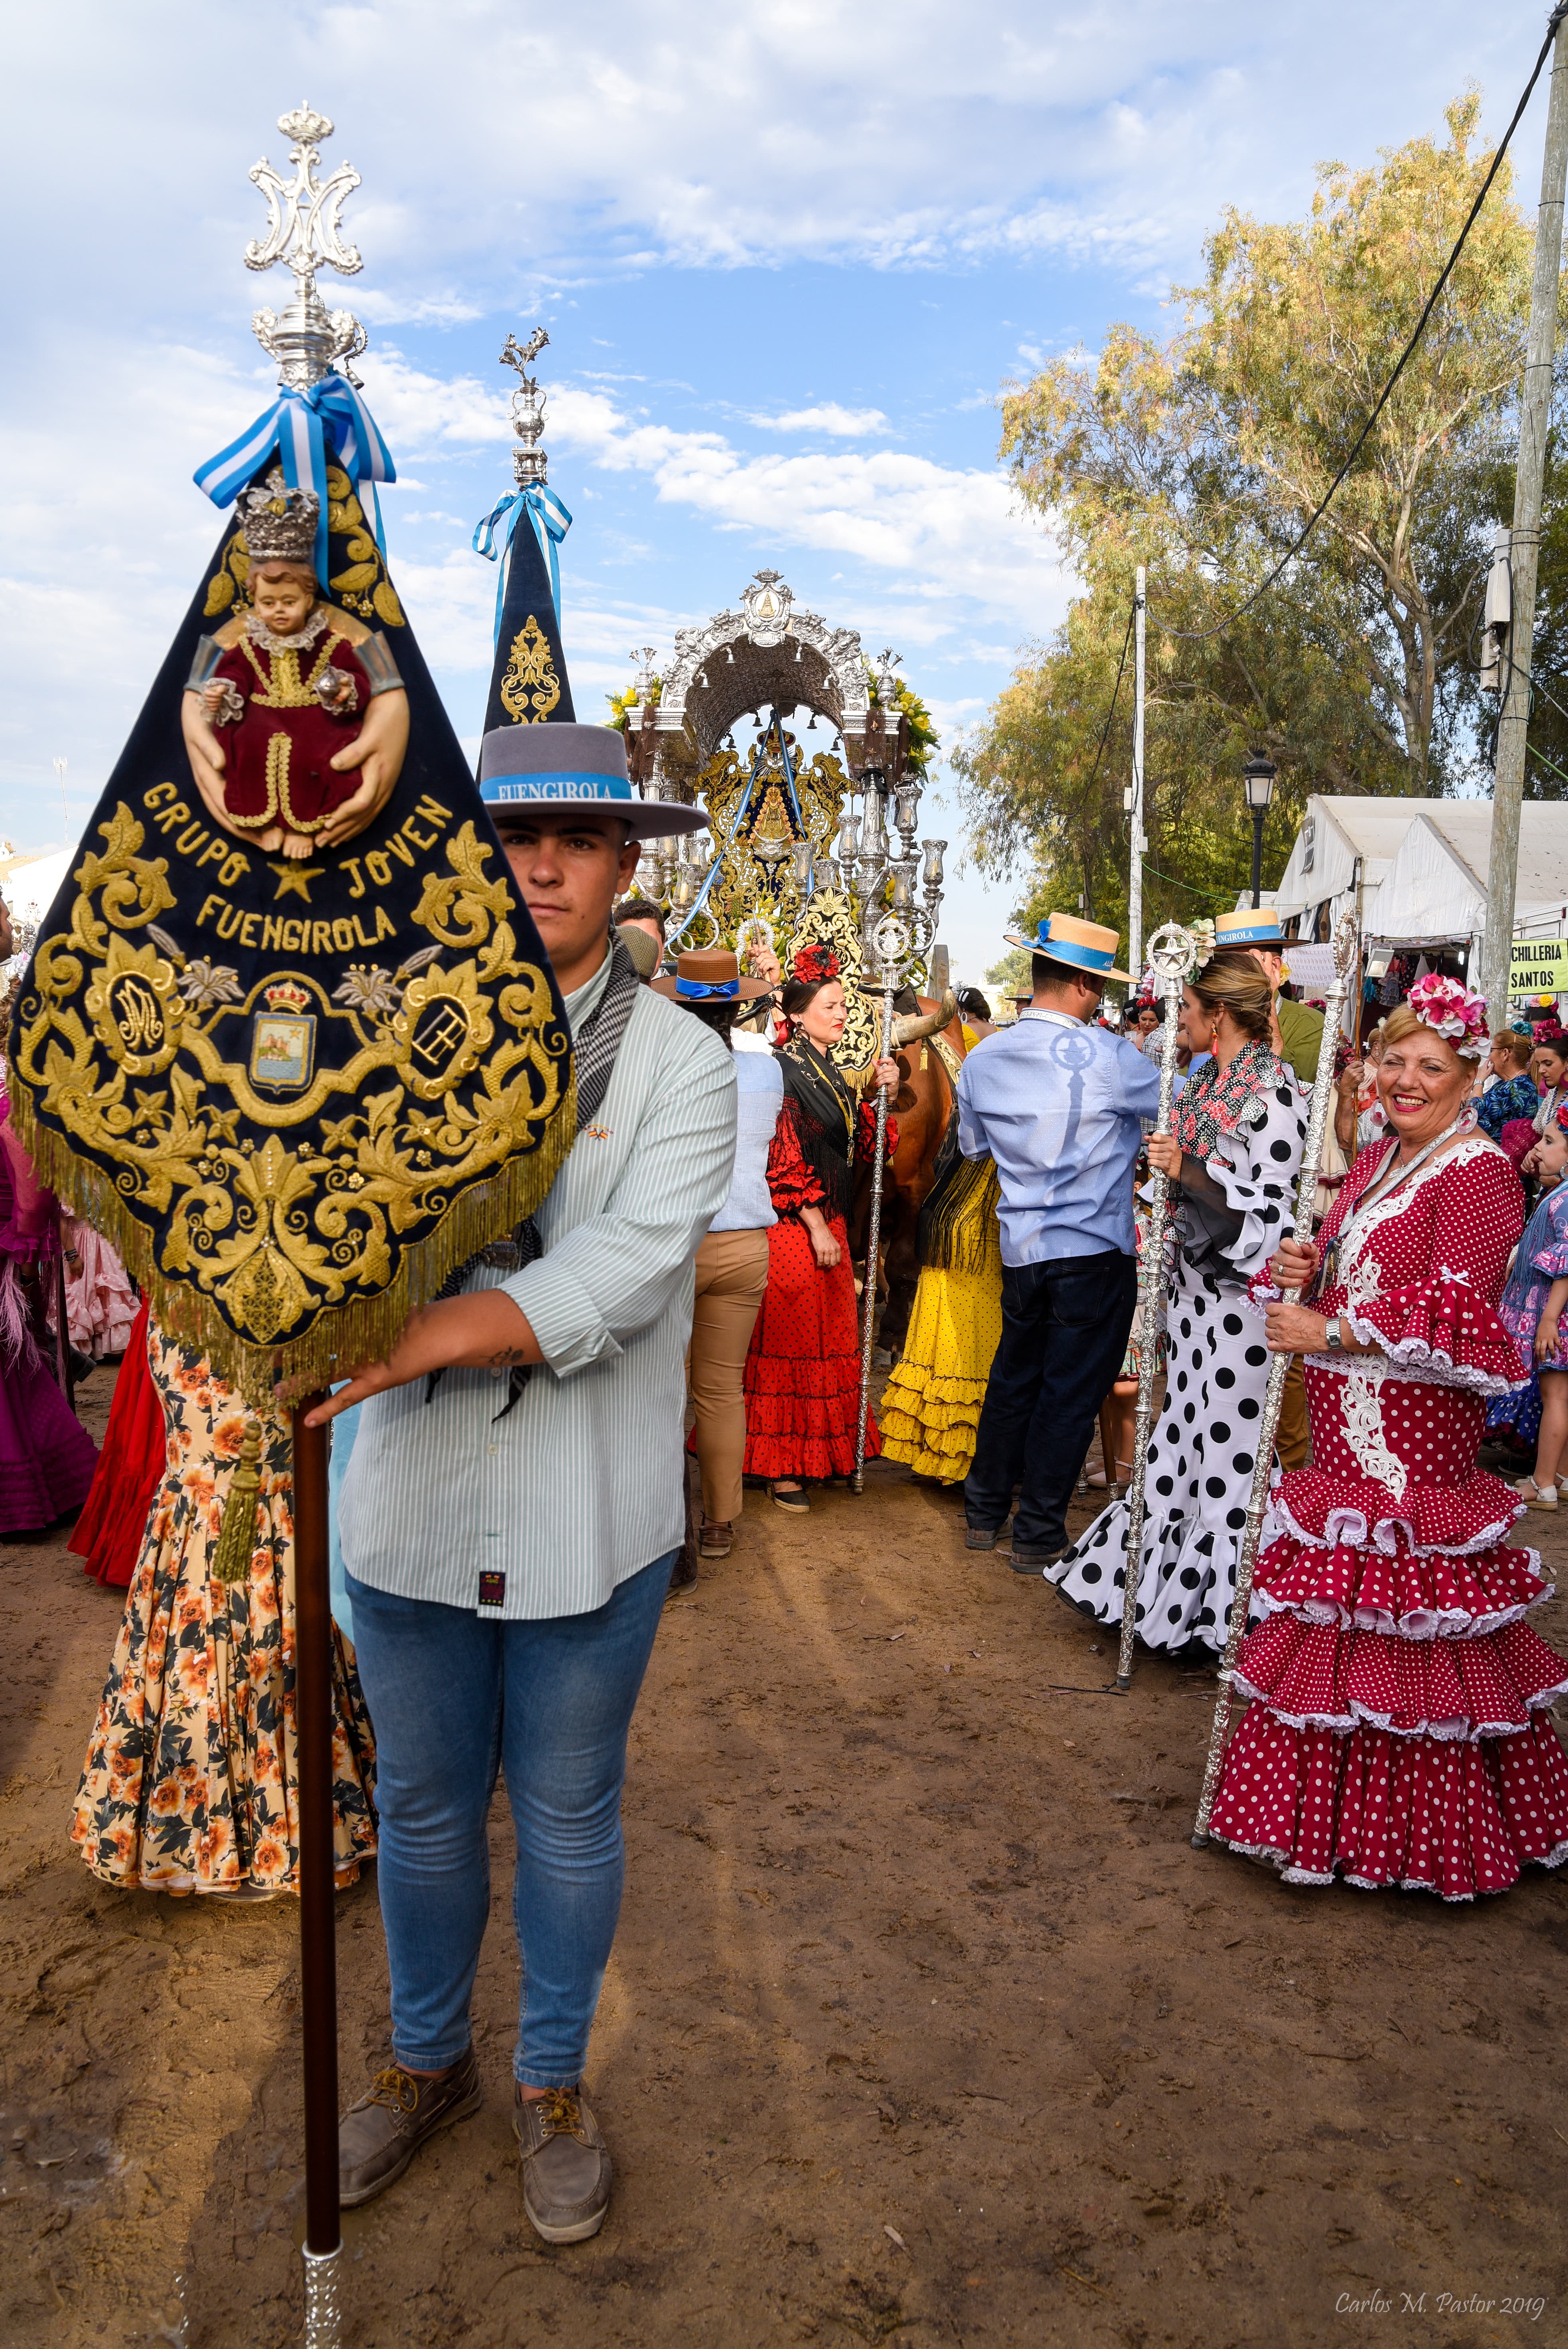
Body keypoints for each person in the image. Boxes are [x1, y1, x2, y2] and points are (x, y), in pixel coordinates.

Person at [318, 718, 737, 2244]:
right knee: (424, 1812)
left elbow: (625, 1272)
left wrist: (403, 1338)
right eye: (510, 835)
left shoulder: (690, 1058)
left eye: (575, 838)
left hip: (590, 1518)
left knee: (566, 1812)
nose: (542, 862)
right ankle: (426, 2058)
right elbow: (318, 1216)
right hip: (413, 1503)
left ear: (627, 860)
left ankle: (550, 2079)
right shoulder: (380, 1029)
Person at [1208, 974, 1568, 1900]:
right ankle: (1317, 1826)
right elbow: (1348, 1269)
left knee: (1413, 1647)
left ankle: (1412, 1841)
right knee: (1334, 1641)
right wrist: (1306, 1265)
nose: (1404, 1080)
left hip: (1412, 1456)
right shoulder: (1371, 1160)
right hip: (1340, 1444)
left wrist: (1325, 1330)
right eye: (1391, 1060)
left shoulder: (1477, 1170)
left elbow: (1455, 1313)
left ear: (1467, 1077)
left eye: (1428, 1066)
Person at [1048, 951, 1305, 1651]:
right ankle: (1164, 1599)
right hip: (1189, 1302)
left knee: (1228, 1455)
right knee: (1181, 1441)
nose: (1175, 1022)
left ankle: (1234, 1615)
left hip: (1240, 1310)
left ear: (1217, 1015)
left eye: (1186, 1010)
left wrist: (1186, 1170)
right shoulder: (1198, 1087)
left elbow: (1275, 1217)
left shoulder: (1274, 1095)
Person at [69, 1327, 379, 1896]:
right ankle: (249, 1835)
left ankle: (248, 1832)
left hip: (243, 1348)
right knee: (225, 1509)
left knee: (242, 1540)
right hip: (226, 1350)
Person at [956, 913, 1160, 1570]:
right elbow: (1182, 1109)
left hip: (1022, 1245)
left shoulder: (983, 1057)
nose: (1099, 998)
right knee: (1068, 1393)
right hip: (1093, 1249)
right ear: (1078, 983)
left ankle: (984, 1513)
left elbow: (973, 1148)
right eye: (1097, 985)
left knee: (1014, 1377)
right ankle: (1037, 1530)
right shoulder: (1110, 1056)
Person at [742, 947, 899, 1508]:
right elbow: (781, 1156)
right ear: (800, 1011)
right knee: (791, 1346)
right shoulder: (782, 1068)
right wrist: (816, 1225)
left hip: (826, 1222)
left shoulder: (830, 1068)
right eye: (831, 1006)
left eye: (844, 1007)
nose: (841, 1015)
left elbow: (864, 1150)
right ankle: (781, 1469)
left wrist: (886, 1095)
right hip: (793, 1228)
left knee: (827, 1344)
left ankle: (815, 1455)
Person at [184, 471, 407, 858]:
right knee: (248, 750)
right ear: (255, 601)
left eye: (289, 601)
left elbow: (355, 673)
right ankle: (264, 821)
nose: (279, 611)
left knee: (315, 758)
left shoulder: (330, 640)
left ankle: (307, 828)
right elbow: (235, 670)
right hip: (261, 719)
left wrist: (342, 687)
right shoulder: (251, 642)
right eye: (268, 604)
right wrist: (224, 690)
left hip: (314, 722)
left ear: (308, 599)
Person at [653, 947, 780, 1564]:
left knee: (662, 1389)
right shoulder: (768, 1071)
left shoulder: (659, 1066)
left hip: (675, 1243)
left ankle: (665, 1521)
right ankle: (721, 1521)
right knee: (721, 1390)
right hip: (746, 1245)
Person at [879, 1112, 1003, 1487]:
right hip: (981, 1218)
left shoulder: (980, 1071)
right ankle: (963, 1455)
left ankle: (935, 1448)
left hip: (948, 1206)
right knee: (976, 1334)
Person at [1485, 1109, 1568, 1505]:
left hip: (1554, 1314)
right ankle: (1562, 1475)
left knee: (1557, 1398)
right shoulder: (1559, 1192)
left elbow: (1566, 1265)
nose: (1539, 1146)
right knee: (1563, 1397)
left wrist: (1549, 1319)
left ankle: (1542, 1484)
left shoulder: (1566, 1200)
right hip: (1550, 1311)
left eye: (1550, 1142)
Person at [1481, 1027, 1541, 1166]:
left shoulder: (1515, 1088)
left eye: (1491, 1051)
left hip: (1498, 1165)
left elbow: (1473, 1115)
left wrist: (1479, 1081)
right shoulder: (1511, 1084)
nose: (1489, 1057)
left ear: (1505, 1054)